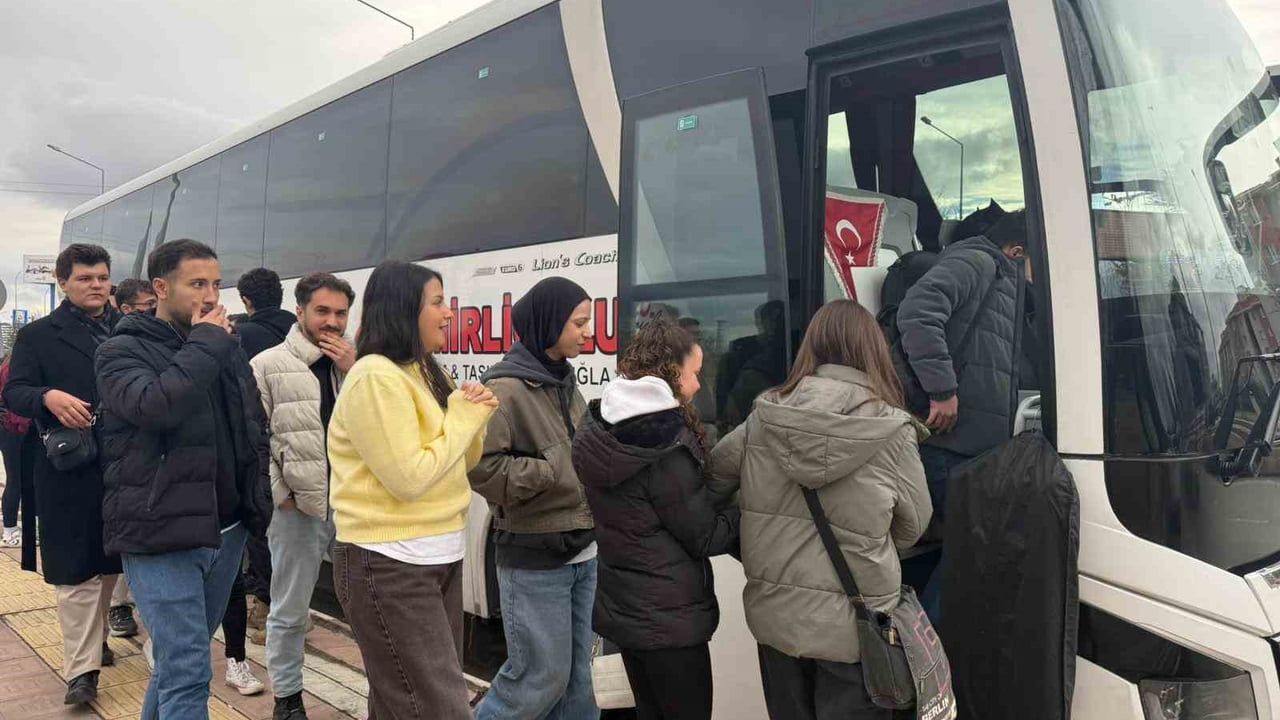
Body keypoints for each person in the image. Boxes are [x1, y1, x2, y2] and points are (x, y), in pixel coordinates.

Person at [707, 300, 932, 720]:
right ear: (872, 351)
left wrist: (759, 527)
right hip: (856, 630)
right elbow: (913, 526)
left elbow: (712, 486)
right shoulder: (891, 429)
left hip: (776, 623)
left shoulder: (764, 416)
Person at [96, 239, 272, 720]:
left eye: (216, 284)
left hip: (226, 531)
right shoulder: (119, 349)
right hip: (160, 533)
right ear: (160, 288)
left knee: (176, 667)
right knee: (190, 669)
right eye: (197, 284)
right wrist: (207, 344)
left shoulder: (224, 348)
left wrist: (255, 499)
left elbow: (251, 424)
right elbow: (155, 405)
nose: (211, 296)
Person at [327, 261, 497, 720]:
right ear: (405, 309)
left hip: (435, 554)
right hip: (390, 562)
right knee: (438, 707)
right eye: (437, 302)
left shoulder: (421, 370)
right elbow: (409, 477)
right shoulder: (376, 377)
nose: (448, 314)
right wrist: (463, 417)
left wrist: (471, 417)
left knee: (400, 700)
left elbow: (460, 462)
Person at [572, 320, 740, 720]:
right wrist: (744, 509)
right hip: (670, 625)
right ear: (670, 372)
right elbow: (705, 537)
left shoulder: (603, 424)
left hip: (627, 615)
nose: (699, 385)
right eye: (694, 373)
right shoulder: (663, 447)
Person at [470, 277, 599, 720]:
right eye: (579, 323)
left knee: (578, 680)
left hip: (582, 549)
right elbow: (481, 468)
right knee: (538, 677)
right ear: (548, 324)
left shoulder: (562, 379)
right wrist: (550, 472)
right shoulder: (504, 389)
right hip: (535, 553)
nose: (588, 332)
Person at [2, 244, 124, 706]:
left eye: (102, 277)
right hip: (68, 470)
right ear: (63, 282)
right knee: (76, 574)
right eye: (85, 278)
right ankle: (82, 672)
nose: (96, 285)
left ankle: (98, 640)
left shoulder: (130, 329)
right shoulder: (37, 336)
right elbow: (15, 392)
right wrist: (48, 396)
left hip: (123, 468)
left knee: (112, 564)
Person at [253, 273, 356, 720]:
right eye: (323, 311)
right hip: (299, 507)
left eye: (340, 313)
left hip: (356, 504)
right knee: (291, 606)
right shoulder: (268, 364)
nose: (332, 322)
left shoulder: (359, 364)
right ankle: (288, 698)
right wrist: (280, 492)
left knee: (369, 606)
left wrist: (356, 370)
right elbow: (254, 438)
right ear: (300, 312)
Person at [896, 214, 1024, 519]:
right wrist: (942, 390)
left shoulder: (1000, 279)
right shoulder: (977, 262)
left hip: (973, 447)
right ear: (1016, 252)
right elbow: (918, 313)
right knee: (971, 552)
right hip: (950, 445)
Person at [234, 268, 294, 646]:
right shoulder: (299, 331)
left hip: (261, 440)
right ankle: (289, 606)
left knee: (262, 526)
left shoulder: (244, 336)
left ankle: (265, 605)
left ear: (246, 300)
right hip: (301, 441)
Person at [103, 277, 156, 640]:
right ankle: (118, 607)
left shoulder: (172, 339)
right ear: (125, 309)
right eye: (146, 306)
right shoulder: (116, 349)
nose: (154, 311)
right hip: (128, 459)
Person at [0, 354, 31, 548]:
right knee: (16, 480)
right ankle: (9, 530)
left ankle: (17, 527)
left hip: (17, 427)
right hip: (13, 428)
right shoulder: (13, 367)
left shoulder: (10, 364)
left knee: (22, 480)